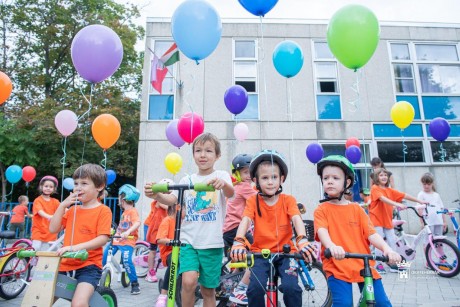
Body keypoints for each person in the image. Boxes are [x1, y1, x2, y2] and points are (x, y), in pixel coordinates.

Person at [145, 132, 234, 307]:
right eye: (198, 150)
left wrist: (223, 185)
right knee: (188, 282)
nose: (202, 155)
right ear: (193, 154)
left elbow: (230, 193)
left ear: (217, 155)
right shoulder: (187, 180)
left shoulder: (221, 176)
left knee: (208, 290)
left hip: (212, 243)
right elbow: (172, 200)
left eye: (208, 151)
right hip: (188, 242)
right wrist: (157, 195)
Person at [230, 149, 315, 307]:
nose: (270, 182)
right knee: (254, 289)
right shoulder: (253, 201)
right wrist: (239, 241)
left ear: (281, 179)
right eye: (265, 178)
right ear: (256, 180)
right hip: (261, 253)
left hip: (286, 254)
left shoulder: (288, 200)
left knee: (292, 289)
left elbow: (296, 218)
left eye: (274, 177)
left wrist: (302, 239)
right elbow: (246, 220)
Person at [314, 155, 401, 306]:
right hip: (337, 265)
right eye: (325, 177)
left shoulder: (356, 209)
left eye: (335, 177)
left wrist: (387, 249)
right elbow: (322, 231)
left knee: (382, 303)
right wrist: (332, 246)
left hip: (363, 264)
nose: (329, 181)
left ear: (347, 182)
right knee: (344, 303)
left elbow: (371, 233)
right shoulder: (321, 209)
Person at [49, 164, 112, 306]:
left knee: (78, 303)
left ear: (99, 186)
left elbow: (102, 239)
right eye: (76, 183)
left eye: (84, 183)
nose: (78, 187)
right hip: (65, 265)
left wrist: (73, 248)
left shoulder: (103, 210)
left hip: (89, 267)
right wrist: (62, 206)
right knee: (42, 297)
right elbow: (53, 228)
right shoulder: (72, 210)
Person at [369, 167, 427, 273]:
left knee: (392, 242)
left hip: (387, 220)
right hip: (376, 220)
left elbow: (404, 195)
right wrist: (396, 203)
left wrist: (419, 201)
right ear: (377, 178)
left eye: (385, 175)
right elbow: (382, 198)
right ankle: (378, 264)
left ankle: (392, 263)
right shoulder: (375, 188)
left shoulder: (389, 190)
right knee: (379, 242)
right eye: (381, 175)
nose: (384, 177)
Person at [223, 153, 256, 305]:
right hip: (235, 229)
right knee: (257, 255)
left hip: (230, 229)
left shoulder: (237, 186)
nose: (248, 175)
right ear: (237, 173)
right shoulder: (243, 187)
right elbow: (261, 198)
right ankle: (241, 288)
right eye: (245, 172)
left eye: (251, 171)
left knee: (242, 259)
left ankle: (233, 282)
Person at [103, 184, 141, 295]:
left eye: (119, 197)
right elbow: (121, 227)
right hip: (117, 240)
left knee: (127, 261)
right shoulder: (124, 212)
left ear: (123, 198)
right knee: (105, 257)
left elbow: (137, 223)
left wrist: (128, 232)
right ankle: (102, 277)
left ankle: (134, 284)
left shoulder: (133, 211)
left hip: (128, 241)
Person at [144, 178, 172, 283]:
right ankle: (150, 272)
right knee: (153, 250)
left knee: (161, 250)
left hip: (163, 230)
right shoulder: (159, 201)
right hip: (155, 230)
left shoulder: (166, 199)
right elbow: (168, 207)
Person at [154, 204, 178, 307]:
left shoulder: (182, 222)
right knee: (175, 261)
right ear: (179, 208)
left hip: (182, 252)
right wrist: (175, 242)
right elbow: (160, 239)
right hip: (169, 253)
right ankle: (163, 294)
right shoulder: (167, 221)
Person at [31, 175, 60, 251]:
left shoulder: (55, 201)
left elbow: (63, 208)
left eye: (51, 187)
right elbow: (40, 211)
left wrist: (73, 211)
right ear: (41, 187)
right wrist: (49, 216)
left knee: (54, 249)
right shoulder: (38, 200)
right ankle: (32, 262)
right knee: (36, 248)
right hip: (39, 230)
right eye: (46, 186)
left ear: (54, 189)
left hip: (50, 231)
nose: (48, 188)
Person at [417, 173, 447, 243]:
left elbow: (441, 209)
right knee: (427, 242)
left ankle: (440, 254)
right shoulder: (421, 194)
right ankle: (427, 254)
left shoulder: (437, 195)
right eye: (424, 184)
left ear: (432, 183)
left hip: (438, 222)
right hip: (428, 223)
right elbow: (420, 209)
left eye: (428, 184)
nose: (426, 186)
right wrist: (422, 223)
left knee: (439, 241)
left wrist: (444, 222)